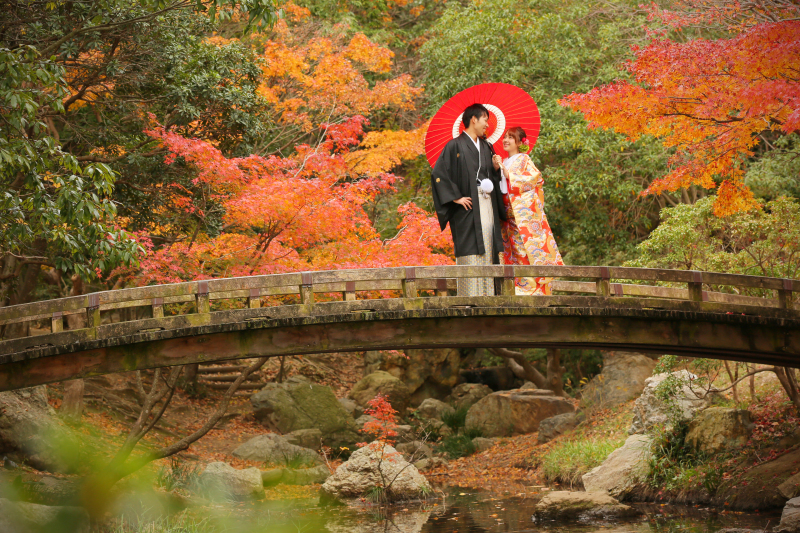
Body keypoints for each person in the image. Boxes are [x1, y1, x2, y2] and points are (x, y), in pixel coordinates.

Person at [431, 104, 506, 296]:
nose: (487, 125)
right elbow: (439, 174)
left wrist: (495, 169)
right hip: (467, 209)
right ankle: (470, 297)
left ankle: (489, 297)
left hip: (487, 203)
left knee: (489, 242)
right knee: (471, 247)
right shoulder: (454, 145)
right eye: (485, 120)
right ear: (474, 119)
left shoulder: (486, 146)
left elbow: (490, 177)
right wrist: (455, 197)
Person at [492, 126, 564, 295]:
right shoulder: (503, 160)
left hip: (521, 212)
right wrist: (496, 168)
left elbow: (535, 178)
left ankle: (531, 288)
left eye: (511, 137)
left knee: (524, 248)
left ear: (520, 142)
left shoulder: (524, 159)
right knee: (510, 249)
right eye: (505, 137)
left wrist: (509, 175)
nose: (506, 140)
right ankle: (513, 287)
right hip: (505, 212)